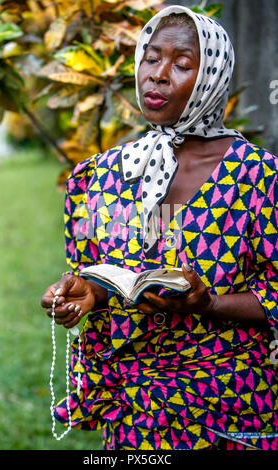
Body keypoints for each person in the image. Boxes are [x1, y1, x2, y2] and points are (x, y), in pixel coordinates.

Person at [40, 5, 278, 450]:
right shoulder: (103, 172)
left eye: (182, 64)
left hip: (223, 409)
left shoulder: (259, 178)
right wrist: (83, 293)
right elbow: (92, 271)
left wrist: (208, 303)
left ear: (211, 79)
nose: (159, 74)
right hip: (133, 416)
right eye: (151, 58)